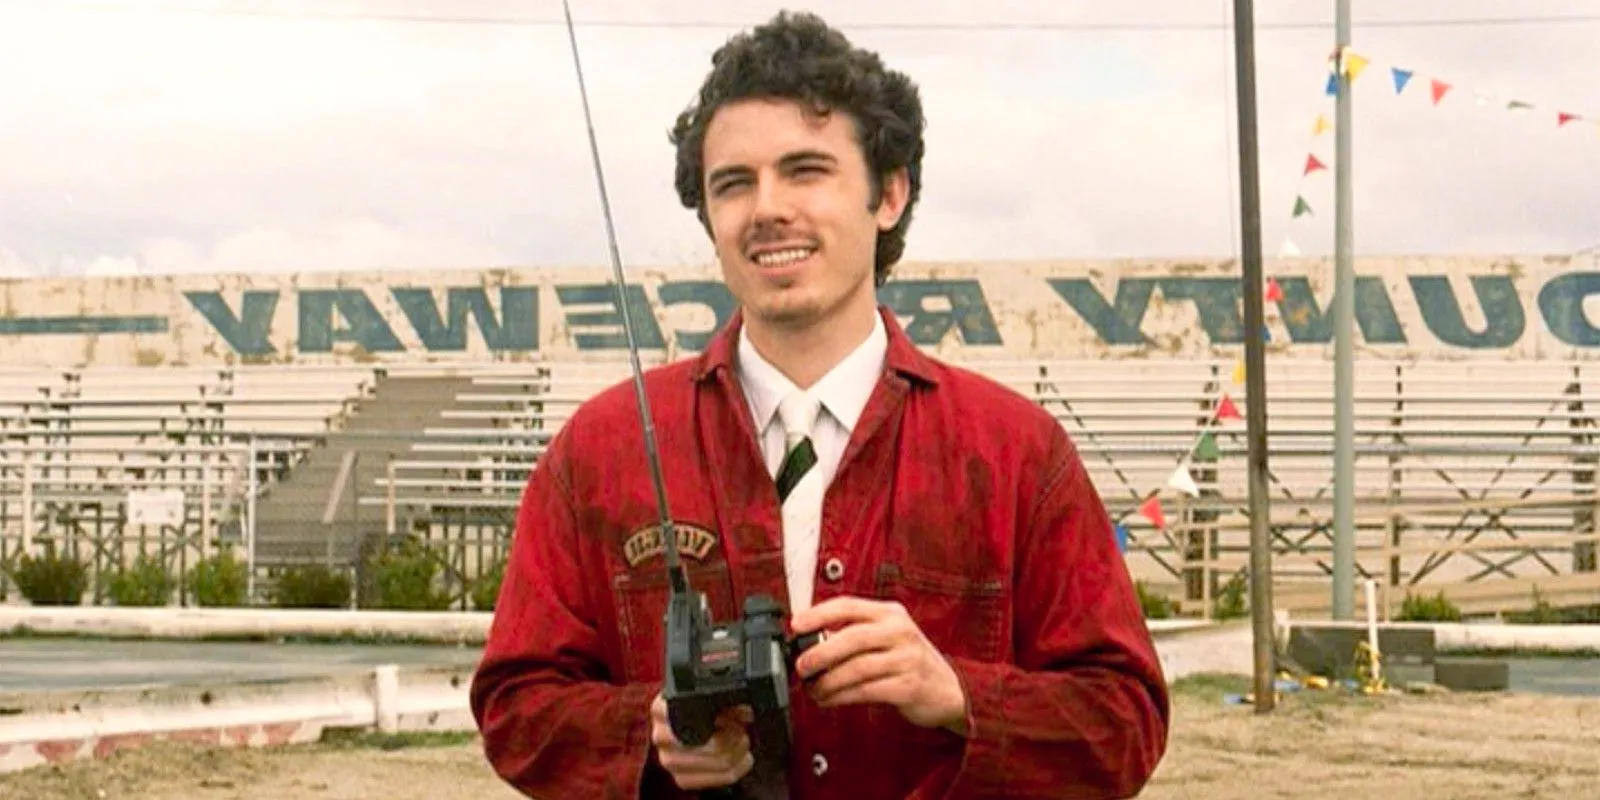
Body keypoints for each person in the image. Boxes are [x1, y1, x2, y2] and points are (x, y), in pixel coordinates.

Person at [471, 9, 1170, 799]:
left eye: (806, 170)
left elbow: (1125, 718)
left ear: (890, 194)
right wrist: (650, 735)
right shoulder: (602, 450)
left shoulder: (1016, 453)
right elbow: (513, 702)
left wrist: (958, 696)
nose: (767, 208)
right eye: (733, 183)